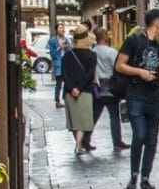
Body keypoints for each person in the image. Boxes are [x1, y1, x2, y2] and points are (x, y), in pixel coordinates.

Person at [115, 8, 159, 189]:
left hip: (154, 98)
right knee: (140, 135)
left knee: (151, 140)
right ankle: (133, 175)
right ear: (157, 23)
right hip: (135, 96)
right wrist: (140, 72)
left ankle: (145, 178)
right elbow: (120, 65)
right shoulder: (133, 41)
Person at [60, 24, 100, 152]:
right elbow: (90, 74)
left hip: (69, 92)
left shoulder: (67, 55)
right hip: (85, 91)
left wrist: (72, 88)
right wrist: (79, 88)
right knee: (82, 120)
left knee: (74, 120)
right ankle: (78, 144)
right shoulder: (92, 56)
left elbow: (64, 74)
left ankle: (77, 143)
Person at [92, 27, 124, 150]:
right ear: (105, 37)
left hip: (97, 85)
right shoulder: (111, 52)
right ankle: (117, 141)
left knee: (94, 115)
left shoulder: (93, 51)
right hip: (110, 85)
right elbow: (117, 68)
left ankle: (85, 139)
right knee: (114, 115)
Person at [49, 28, 66, 107]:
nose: (62, 30)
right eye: (60, 28)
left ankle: (66, 99)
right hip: (58, 64)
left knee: (67, 82)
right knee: (58, 83)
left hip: (66, 63)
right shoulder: (53, 40)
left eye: (62, 28)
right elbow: (52, 53)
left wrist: (66, 47)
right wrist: (60, 47)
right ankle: (57, 101)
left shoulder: (65, 39)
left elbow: (70, 49)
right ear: (56, 30)